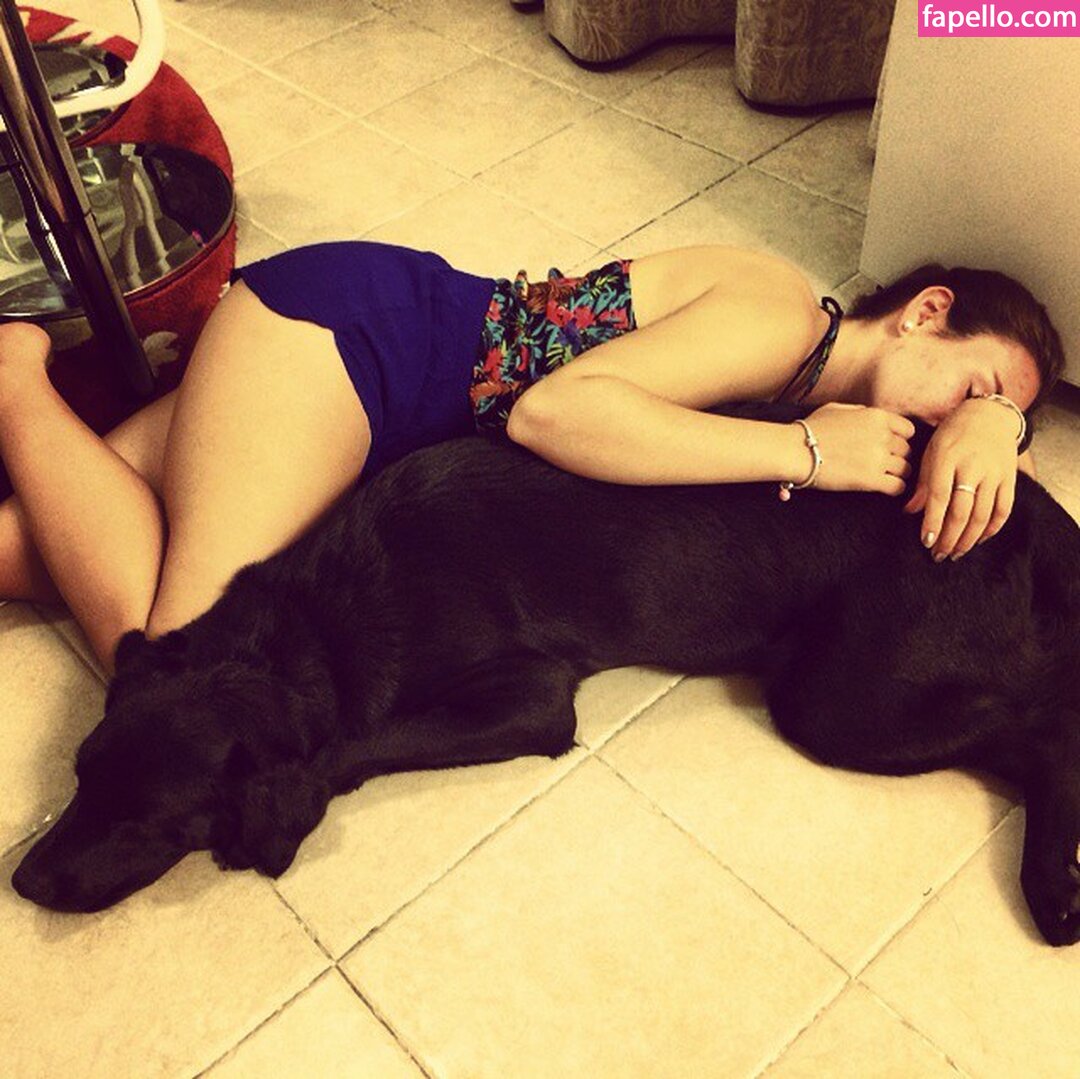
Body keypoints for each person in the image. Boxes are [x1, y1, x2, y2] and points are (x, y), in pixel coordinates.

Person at [0, 242, 1064, 676]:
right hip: (358, 353)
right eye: (974, 387)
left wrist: (999, 427)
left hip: (366, 398)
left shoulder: (812, 370)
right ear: (927, 312)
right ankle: (16, 373)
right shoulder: (780, 318)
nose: (961, 424)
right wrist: (807, 451)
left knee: (29, 548)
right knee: (180, 658)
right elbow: (554, 414)